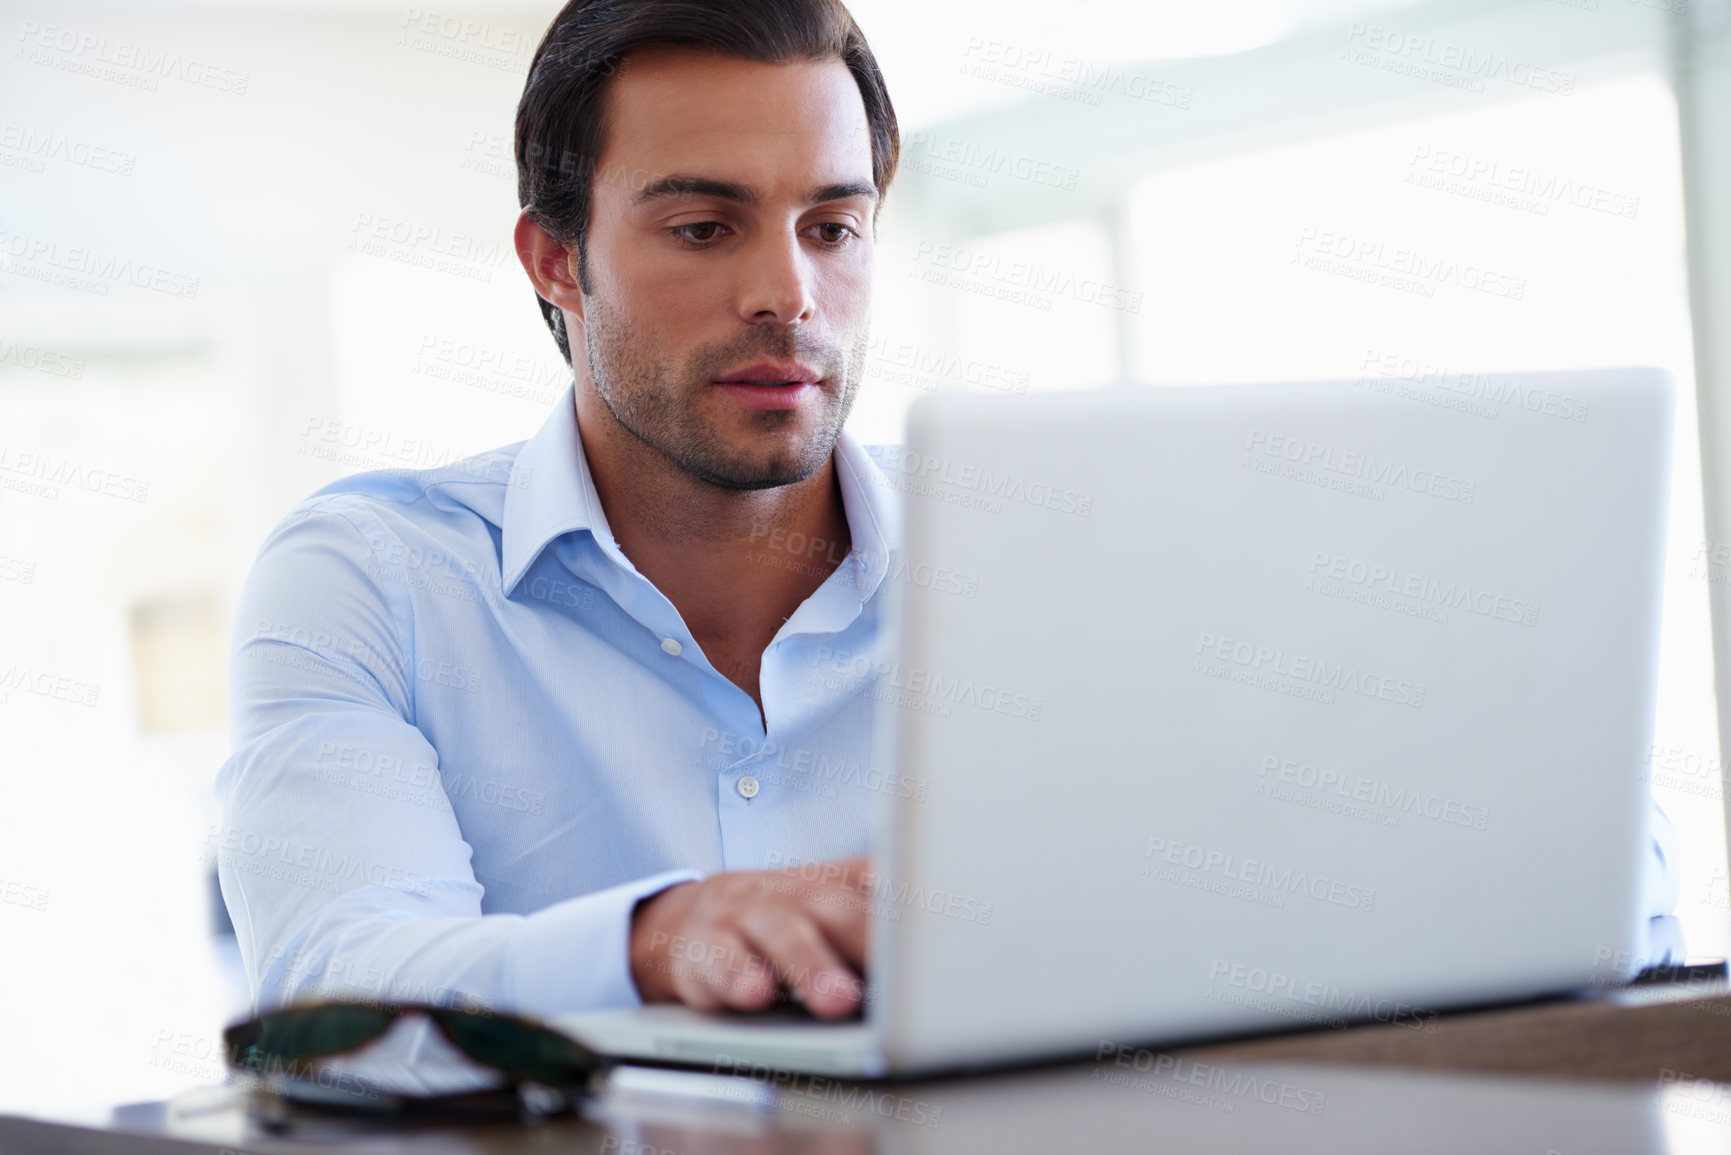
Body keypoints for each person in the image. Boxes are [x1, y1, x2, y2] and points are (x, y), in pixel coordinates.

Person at [215, 0, 900, 1041]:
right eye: (704, 229)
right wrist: (655, 941)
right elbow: (333, 998)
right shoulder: (371, 578)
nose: (786, 293)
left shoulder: (1022, 556)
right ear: (555, 260)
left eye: (833, 229)